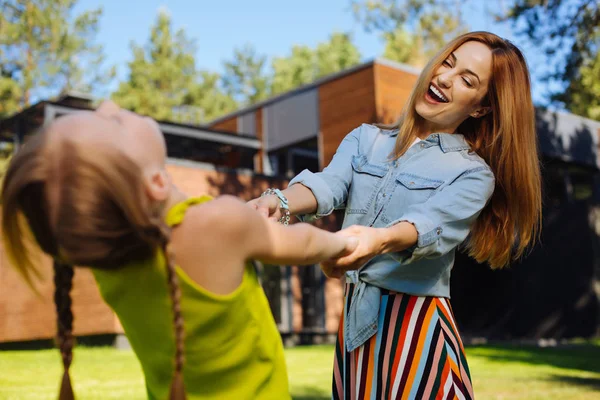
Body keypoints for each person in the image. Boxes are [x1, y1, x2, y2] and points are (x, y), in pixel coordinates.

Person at [249, 31, 542, 399]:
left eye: (467, 80)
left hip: (418, 332)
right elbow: (328, 185)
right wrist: (280, 200)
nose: (445, 78)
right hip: (355, 328)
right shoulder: (364, 139)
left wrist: (377, 239)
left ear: (480, 108)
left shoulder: (472, 174)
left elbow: (429, 225)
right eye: (447, 63)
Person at [0, 101, 360, 400]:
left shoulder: (110, 262)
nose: (109, 104)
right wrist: (340, 242)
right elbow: (302, 242)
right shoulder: (218, 222)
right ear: (156, 183)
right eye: (110, 120)